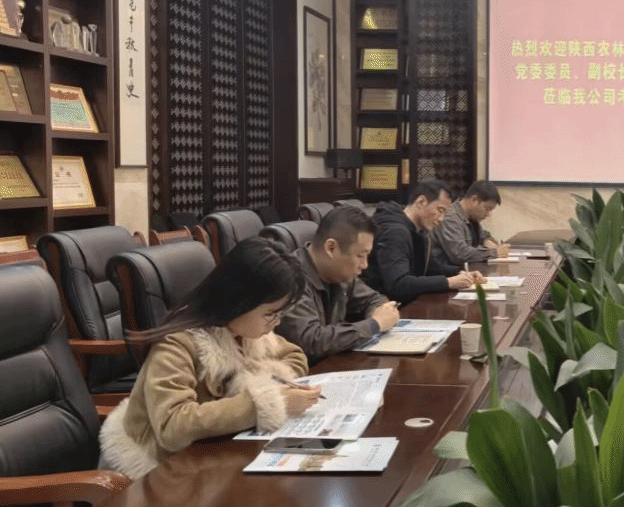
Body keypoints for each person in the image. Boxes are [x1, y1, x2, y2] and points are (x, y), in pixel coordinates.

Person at [99, 238, 320, 478]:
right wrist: (266, 401)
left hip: (209, 454)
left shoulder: (245, 333)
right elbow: (172, 426)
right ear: (240, 301)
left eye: (281, 314)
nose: (277, 323)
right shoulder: (178, 343)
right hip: (156, 467)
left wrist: (261, 382)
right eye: (271, 314)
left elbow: (294, 355)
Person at [277, 205, 400, 362]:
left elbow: (374, 299)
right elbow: (310, 341)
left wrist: (381, 311)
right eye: (360, 256)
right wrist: (374, 325)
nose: (365, 265)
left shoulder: (339, 274)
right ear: (331, 248)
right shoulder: (290, 278)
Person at [364, 180, 483, 304]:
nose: (441, 219)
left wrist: (460, 272)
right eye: (440, 210)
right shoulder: (395, 232)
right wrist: (448, 282)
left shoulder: (417, 231)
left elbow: (430, 267)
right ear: (421, 202)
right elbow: (398, 284)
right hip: (385, 306)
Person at [431, 180, 509, 266]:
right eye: (487, 209)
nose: (488, 214)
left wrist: (487, 241)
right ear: (474, 200)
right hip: (447, 271)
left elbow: (483, 235)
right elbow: (460, 254)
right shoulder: (450, 218)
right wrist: (494, 253)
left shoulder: (471, 217)